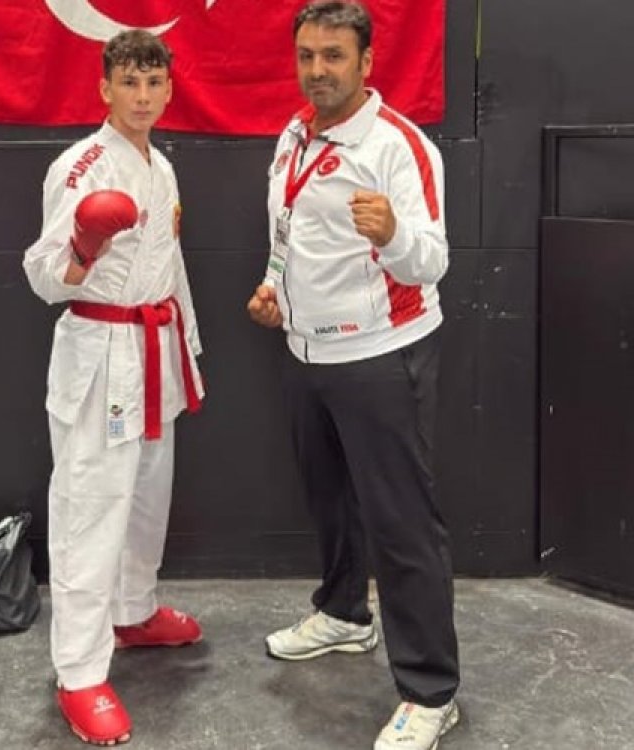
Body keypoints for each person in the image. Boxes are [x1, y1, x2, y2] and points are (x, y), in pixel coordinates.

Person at [245, 3, 459, 749]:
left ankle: (431, 692)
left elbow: (433, 261)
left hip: (381, 354)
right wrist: (274, 286)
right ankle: (343, 614)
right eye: (307, 55)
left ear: (366, 62)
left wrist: (394, 234)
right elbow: (287, 229)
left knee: (402, 526)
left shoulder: (398, 145)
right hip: (306, 351)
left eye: (334, 55)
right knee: (330, 501)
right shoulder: (294, 135)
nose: (318, 70)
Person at [23, 29, 206, 747]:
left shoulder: (163, 169)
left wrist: (188, 352)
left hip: (156, 347)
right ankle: (78, 671)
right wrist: (82, 246)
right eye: (129, 82)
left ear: (168, 90)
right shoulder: (81, 166)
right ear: (105, 88)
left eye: (153, 83)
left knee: (148, 496)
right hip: (100, 353)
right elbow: (42, 276)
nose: (142, 96)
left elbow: (172, 268)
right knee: (91, 508)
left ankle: (133, 610)